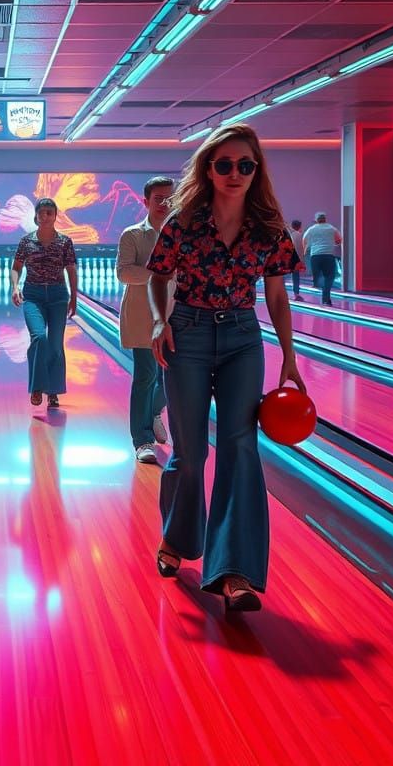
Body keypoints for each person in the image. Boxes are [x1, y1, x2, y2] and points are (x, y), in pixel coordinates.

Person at [149, 124, 304, 613]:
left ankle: (234, 572)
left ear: (256, 170)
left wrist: (290, 356)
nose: (235, 173)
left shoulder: (269, 227)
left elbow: (276, 296)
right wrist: (160, 322)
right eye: (225, 165)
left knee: (240, 446)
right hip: (188, 334)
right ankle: (176, 538)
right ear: (208, 169)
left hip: (242, 337)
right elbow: (159, 275)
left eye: (245, 165)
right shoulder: (184, 220)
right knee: (190, 452)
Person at [116, 177, 174, 463]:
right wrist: (160, 275)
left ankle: (153, 412)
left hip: (179, 317)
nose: (164, 203)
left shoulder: (184, 235)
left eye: (169, 198)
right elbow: (124, 273)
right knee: (146, 377)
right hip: (143, 317)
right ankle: (142, 440)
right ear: (146, 201)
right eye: (158, 198)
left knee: (171, 380)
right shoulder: (133, 235)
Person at [10, 198, 78, 409]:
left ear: (55, 216)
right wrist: (15, 287)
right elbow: (16, 267)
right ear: (36, 216)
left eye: (50, 212)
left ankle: (54, 392)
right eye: (42, 213)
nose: (46, 216)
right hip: (34, 295)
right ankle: (38, 386)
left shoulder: (65, 242)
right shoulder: (26, 241)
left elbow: (71, 270)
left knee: (56, 345)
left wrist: (73, 297)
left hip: (58, 296)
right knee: (39, 338)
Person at [303, 211, 342, 306]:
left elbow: (304, 239)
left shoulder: (311, 229)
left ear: (316, 220)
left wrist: (304, 251)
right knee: (329, 277)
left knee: (319, 276)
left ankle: (319, 290)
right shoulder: (331, 228)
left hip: (315, 256)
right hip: (328, 255)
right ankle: (326, 298)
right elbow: (339, 239)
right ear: (325, 219)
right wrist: (335, 244)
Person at [287, 219, 306, 301]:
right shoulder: (301, 235)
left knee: (289, 276)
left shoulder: (291, 235)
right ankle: (296, 293)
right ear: (299, 227)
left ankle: (288, 294)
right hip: (298, 259)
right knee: (296, 276)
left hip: (291, 258)